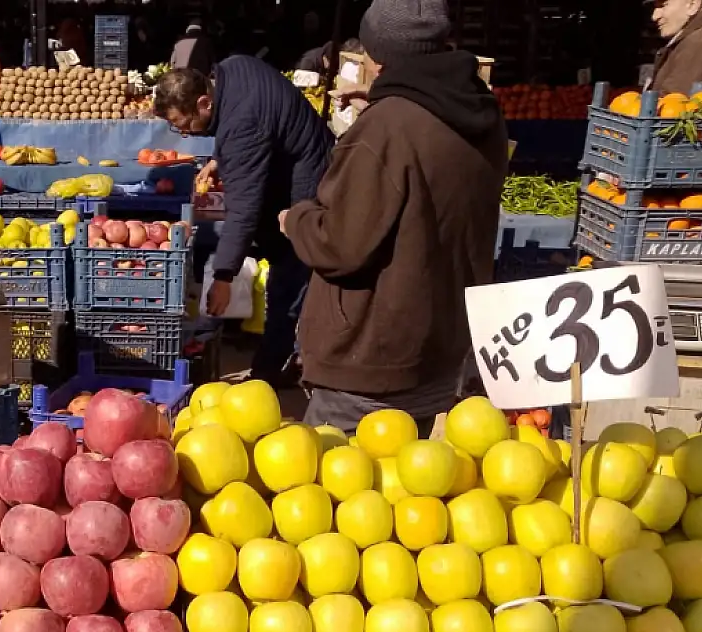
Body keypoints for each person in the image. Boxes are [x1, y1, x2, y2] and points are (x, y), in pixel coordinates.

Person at [277, 0, 508, 433]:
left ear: (379, 56)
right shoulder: (483, 113)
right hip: (437, 349)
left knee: (331, 493)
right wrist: (387, 99)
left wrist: (297, 220)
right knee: (406, 492)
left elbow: (341, 244)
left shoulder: (386, 129)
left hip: (370, 360)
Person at [154, 57, 333, 388]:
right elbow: (252, 129)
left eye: (184, 123)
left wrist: (224, 276)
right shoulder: (231, 69)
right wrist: (219, 160)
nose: (182, 132)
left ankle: (270, 373)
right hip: (294, 163)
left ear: (204, 102)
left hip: (308, 183)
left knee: (288, 277)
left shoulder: (241, 127)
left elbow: (243, 209)